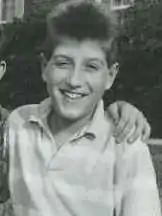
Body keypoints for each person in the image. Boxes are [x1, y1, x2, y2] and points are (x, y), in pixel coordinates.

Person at [3, 1, 160, 215]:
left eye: (91, 67)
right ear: (44, 67)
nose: (75, 80)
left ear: (110, 76)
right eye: (63, 63)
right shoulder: (18, 124)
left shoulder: (126, 145)